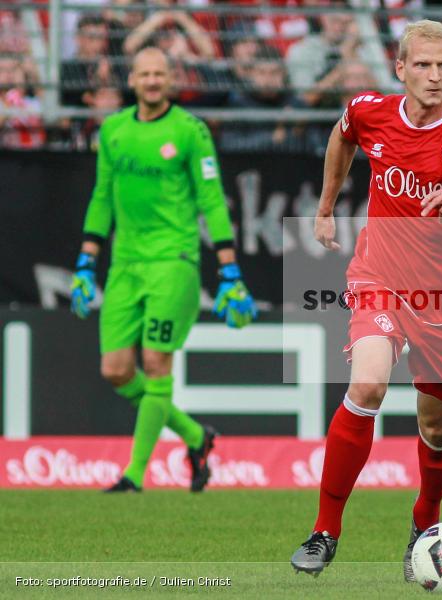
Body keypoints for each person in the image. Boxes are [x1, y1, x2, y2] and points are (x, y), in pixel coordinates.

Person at [290, 19, 442, 578]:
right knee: (368, 383)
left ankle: (425, 518)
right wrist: (328, 205)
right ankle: (325, 530)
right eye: (423, 65)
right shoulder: (370, 110)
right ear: (400, 69)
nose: (434, 75)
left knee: (436, 428)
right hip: (380, 274)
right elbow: (342, 135)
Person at [69, 47, 258, 493]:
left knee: (155, 363)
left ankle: (134, 474)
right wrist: (85, 260)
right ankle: (196, 436)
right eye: (145, 74)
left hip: (174, 260)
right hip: (125, 264)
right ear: (132, 80)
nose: (152, 81)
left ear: (171, 80)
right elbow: (101, 196)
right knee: (115, 370)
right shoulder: (113, 130)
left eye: (160, 74)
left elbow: (212, 199)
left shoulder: (190, 131)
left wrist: (229, 268)